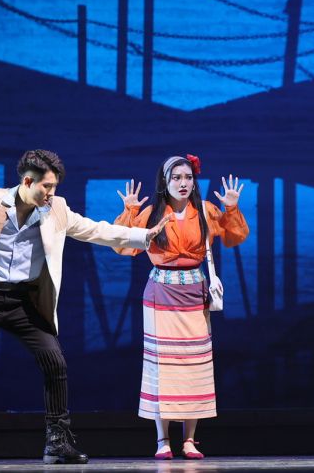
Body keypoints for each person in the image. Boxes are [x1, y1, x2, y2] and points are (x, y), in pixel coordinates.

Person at [0, 149, 170, 466]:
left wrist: (142, 235)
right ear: (27, 181)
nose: (51, 193)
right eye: (46, 186)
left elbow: (94, 229)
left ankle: (57, 442)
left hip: (24, 300)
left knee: (55, 363)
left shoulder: (55, 209)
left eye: (54, 187)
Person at [112, 154, 249, 460]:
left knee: (194, 366)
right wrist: (130, 211)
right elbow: (122, 246)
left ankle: (189, 439)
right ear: (165, 181)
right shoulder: (151, 213)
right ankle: (162, 439)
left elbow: (235, 237)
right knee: (162, 367)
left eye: (188, 177)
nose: (183, 183)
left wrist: (231, 208)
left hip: (194, 294)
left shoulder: (205, 211)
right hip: (161, 294)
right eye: (176, 178)